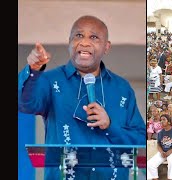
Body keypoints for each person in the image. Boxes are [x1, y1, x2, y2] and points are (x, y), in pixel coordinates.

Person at [18, 15, 146, 179]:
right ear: (69, 42)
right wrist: (33, 71)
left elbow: (141, 141)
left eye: (94, 37)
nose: (84, 42)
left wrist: (110, 125)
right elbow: (24, 104)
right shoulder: (50, 80)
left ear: (106, 47)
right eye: (78, 35)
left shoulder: (122, 88)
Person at [147, 114, 172, 180]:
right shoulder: (160, 133)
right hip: (163, 151)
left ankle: (170, 178)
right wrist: (161, 152)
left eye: (164, 119)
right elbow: (158, 144)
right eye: (160, 120)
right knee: (150, 164)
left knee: (171, 160)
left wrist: (170, 151)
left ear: (169, 121)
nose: (161, 121)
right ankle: (155, 178)